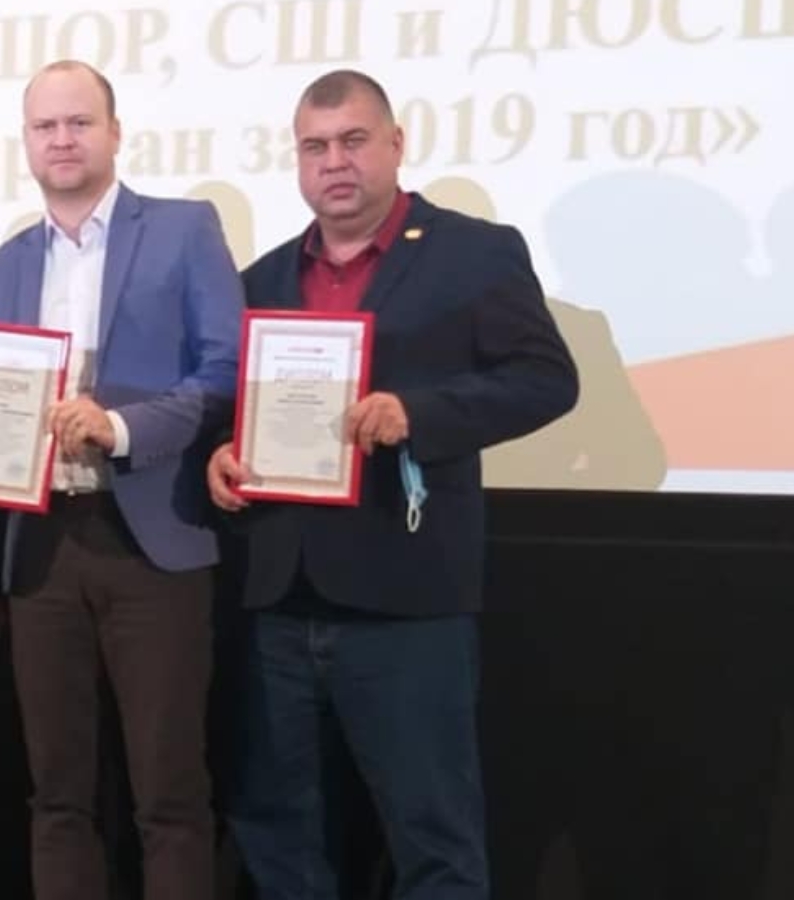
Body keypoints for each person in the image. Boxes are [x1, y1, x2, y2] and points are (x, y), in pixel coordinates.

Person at [207, 70, 578, 899]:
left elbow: (547, 380)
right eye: (314, 147)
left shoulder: (475, 253)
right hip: (278, 599)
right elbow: (239, 411)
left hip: (406, 602)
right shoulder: (263, 279)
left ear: (396, 144)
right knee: (278, 832)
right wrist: (221, 457)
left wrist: (421, 412)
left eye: (353, 141)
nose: (334, 162)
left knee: (431, 836)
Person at [0, 59, 244, 900]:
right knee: (56, 794)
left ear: (115, 133)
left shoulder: (185, 229)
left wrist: (122, 427)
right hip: (41, 549)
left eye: (80, 123)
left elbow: (225, 368)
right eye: (46, 126)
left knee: (168, 794)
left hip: (153, 542)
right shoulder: (0, 267)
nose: (63, 140)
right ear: (26, 142)